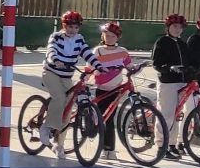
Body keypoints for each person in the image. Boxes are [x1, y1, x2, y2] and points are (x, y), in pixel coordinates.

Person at [40, 11, 91, 159]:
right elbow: (51, 50)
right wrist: (55, 60)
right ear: (64, 26)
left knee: (68, 108)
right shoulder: (56, 36)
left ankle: (59, 144)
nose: (73, 30)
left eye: (76, 27)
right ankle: (46, 127)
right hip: (51, 72)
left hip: (66, 76)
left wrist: (99, 66)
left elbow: (87, 53)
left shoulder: (79, 39)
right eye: (70, 27)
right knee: (60, 97)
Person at [85, 22, 134, 159]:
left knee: (110, 119)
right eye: (107, 35)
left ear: (118, 37)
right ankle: (103, 148)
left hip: (116, 90)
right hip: (101, 89)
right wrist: (85, 78)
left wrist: (137, 68)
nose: (109, 38)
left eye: (113, 36)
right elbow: (90, 67)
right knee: (101, 118)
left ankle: (110, 149)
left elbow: (130, 65)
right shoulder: (98, 51)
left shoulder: (122, 51)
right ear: (102, 36)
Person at [151, 13, 191, 158]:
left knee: (177, 115)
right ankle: (161, 146)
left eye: (180, 27)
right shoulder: (162, 42)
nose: (177, 29)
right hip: (168, 82)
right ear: (168, 27)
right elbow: (156, 63)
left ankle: (172, 144)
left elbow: (189, 61)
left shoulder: (182, 44)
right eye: (174, 26)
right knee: (166, 114)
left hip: (182, 82)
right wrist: (169, 68)